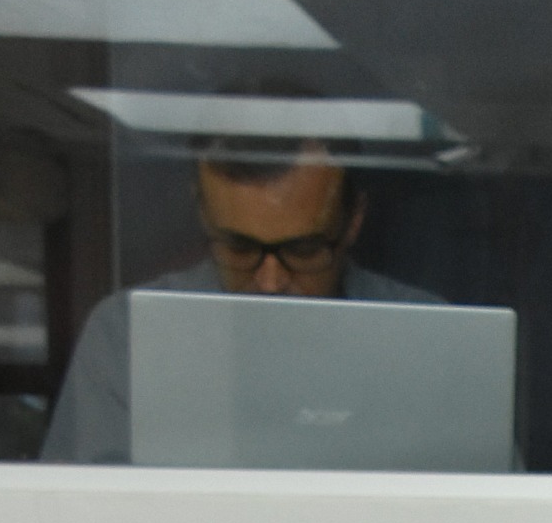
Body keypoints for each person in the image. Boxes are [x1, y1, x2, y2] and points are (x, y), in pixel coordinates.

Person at [36, 141, 443, 463]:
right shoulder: (129, 337)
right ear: (202, 214)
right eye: (239, 248)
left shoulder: (426, 341)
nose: (270, 282)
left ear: (353, 220)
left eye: (303, 250)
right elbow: (75, 521)